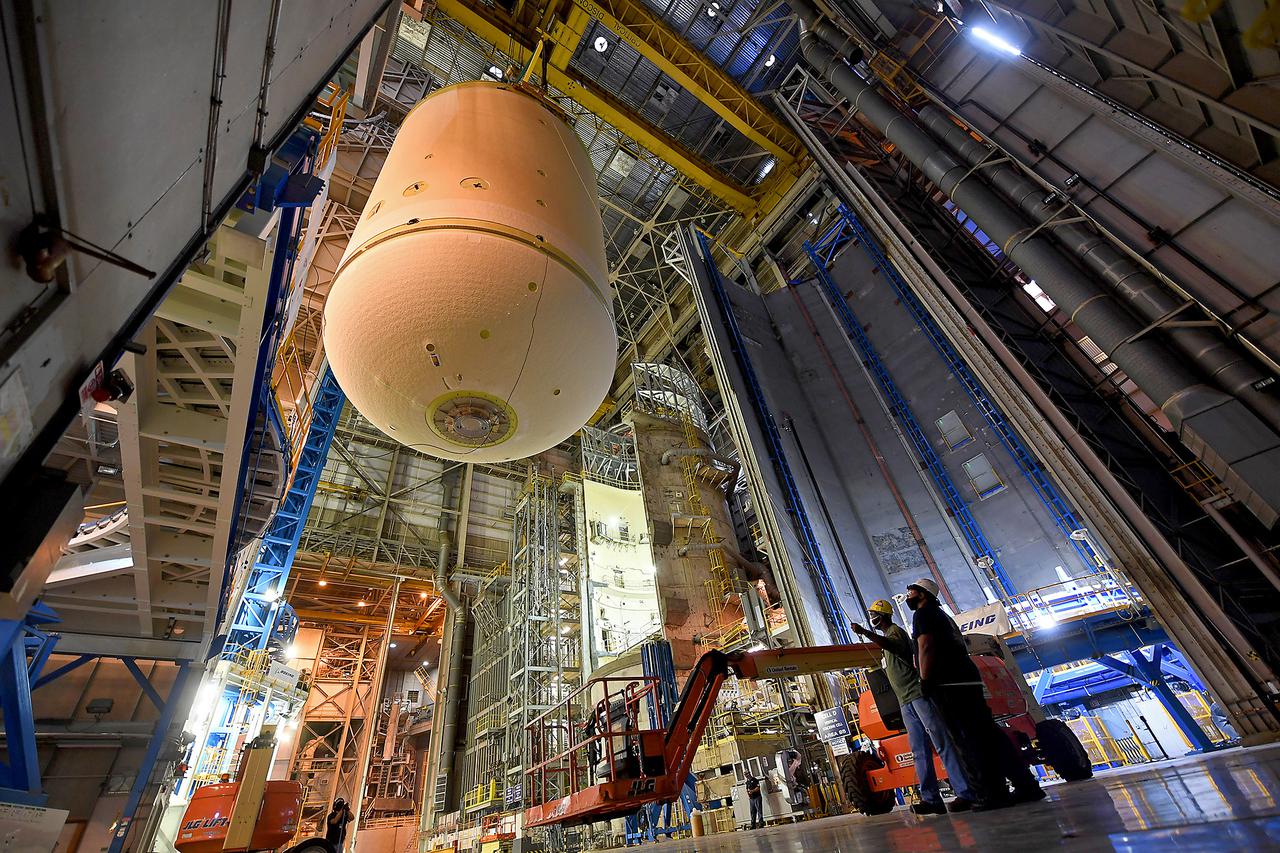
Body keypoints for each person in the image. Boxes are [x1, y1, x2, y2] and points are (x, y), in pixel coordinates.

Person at [907, 578, 1045, 811]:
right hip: (967, 680)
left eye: (911, 592)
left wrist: (925, 679)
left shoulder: (923, 614)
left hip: (949, 685)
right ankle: (1026, 785)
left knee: (968, 741)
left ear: (922, 594)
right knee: (989, 735)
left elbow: (926, 646)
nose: (908, 596)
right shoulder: (944, 617)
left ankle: (990, 794)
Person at [852, 599, 977, 814]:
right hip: (905, 702)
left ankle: (966, 793)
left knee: (941, 741)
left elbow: (891, 645)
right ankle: (931, 800)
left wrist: (865, 632)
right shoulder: (887, 639)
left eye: (874, 614)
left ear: (882, 616)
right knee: (918, 750)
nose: (872, 617)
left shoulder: (895, 633)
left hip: (918, 695)